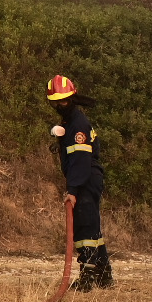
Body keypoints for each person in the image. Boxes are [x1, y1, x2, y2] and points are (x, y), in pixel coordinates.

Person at [46, 74, 113, 290]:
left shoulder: (79, 125)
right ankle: (104, 276)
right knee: (92, 227)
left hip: (85, 179)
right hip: (84, 178)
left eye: (63, 101)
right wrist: (60, 143)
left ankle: (88, 278)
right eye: (55, 102)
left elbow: (81, 161)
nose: (59, 105)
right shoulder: (71, 121)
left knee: (85, 229)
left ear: (72, 99)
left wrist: (73, 190)